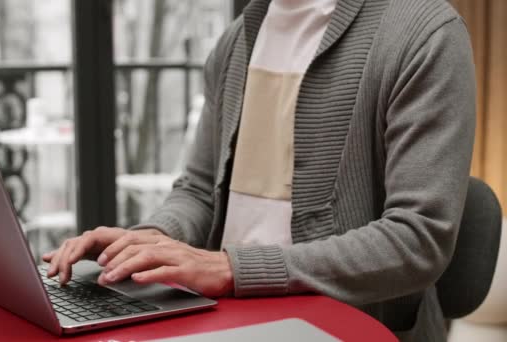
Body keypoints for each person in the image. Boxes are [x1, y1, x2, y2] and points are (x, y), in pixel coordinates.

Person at [43, 0, 475, 340]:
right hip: (224, 318)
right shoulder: (238, 40)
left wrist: (231, 269)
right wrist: (154, 238)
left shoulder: (425, 34)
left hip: (345, 326)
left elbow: (418, 240)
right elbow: (197, 189)